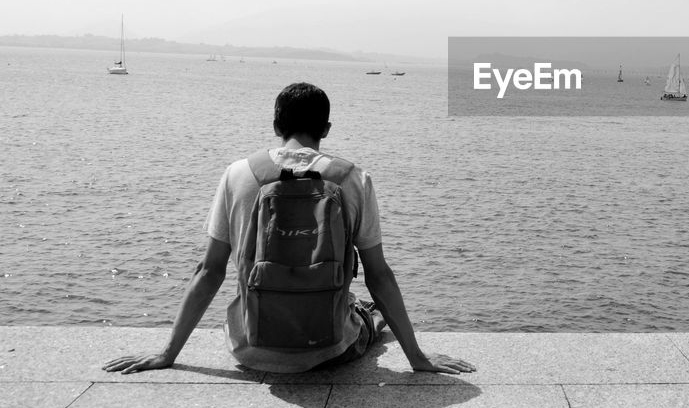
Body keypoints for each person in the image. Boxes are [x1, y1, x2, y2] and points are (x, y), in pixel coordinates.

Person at [103, 82, 475, 376]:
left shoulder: (238, 174)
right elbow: (379, 273)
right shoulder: (353, 179)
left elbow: (209, 270)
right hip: (330, 349)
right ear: (326, 129)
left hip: (250, 348)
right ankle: (368, 316)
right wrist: (418, 358)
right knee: (363, 308)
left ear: (276, 126)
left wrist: (167, 354)